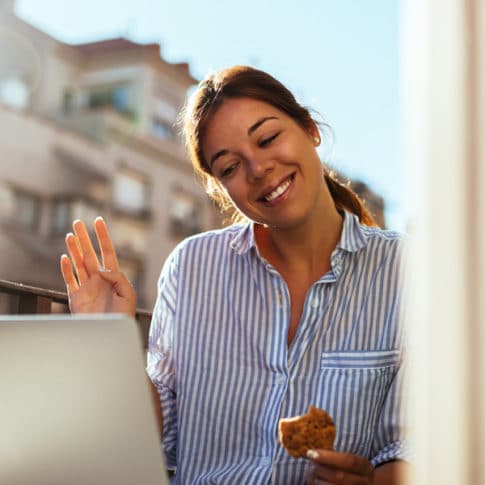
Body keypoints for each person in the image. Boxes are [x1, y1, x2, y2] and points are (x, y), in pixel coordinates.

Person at [60, 65, 410, 484]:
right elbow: (157, 432)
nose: (258, 168)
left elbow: (415, 445)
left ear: (310, 128)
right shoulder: (192, 267)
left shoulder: (406, 271)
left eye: (267, 139)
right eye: (229, 167)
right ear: (220, 189)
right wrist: (107, 338)